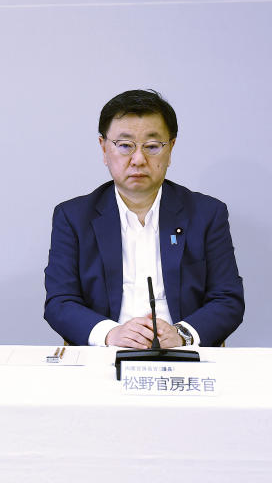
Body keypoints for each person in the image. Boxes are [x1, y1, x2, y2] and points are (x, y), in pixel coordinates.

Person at [44, 89, 244, 347]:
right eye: (125, 146)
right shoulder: (73, 217)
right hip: (106, 353)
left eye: (152, 146)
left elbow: (228, 299)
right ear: (104, 148)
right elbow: (60, 301)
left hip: (181, 353)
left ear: (170, 149)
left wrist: (182, 334)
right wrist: (110, 334)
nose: (138, 159)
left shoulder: (206, 213)